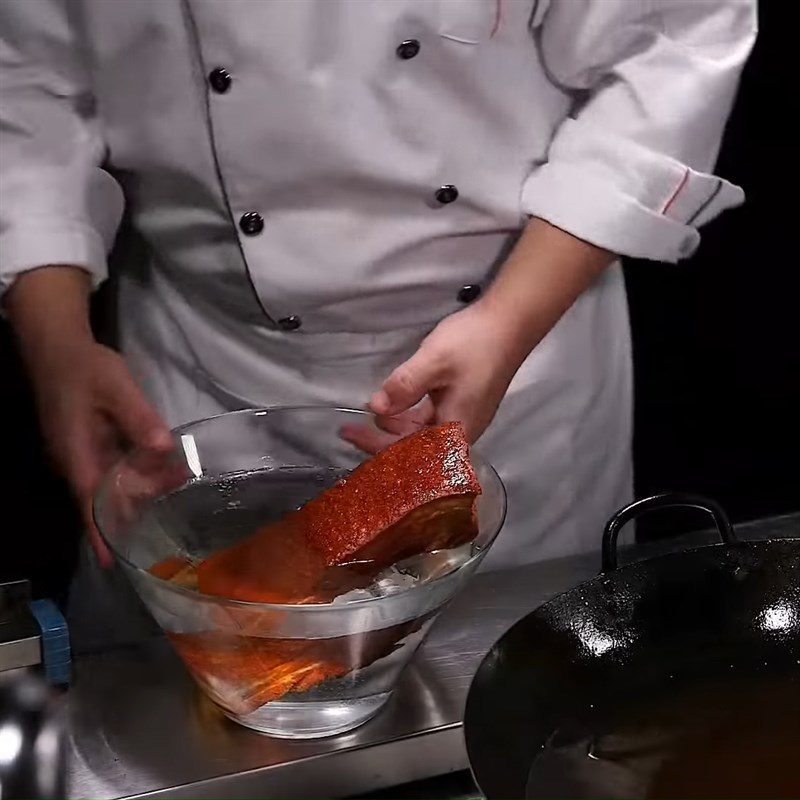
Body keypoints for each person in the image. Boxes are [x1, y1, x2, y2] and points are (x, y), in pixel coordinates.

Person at [1, 0, 755, 578]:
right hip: (197, 377)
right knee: (208, 694)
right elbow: (27, 83)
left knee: (512, 692)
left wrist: (508, 321)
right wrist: (55, 340)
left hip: (517, 350)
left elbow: (676, 39)